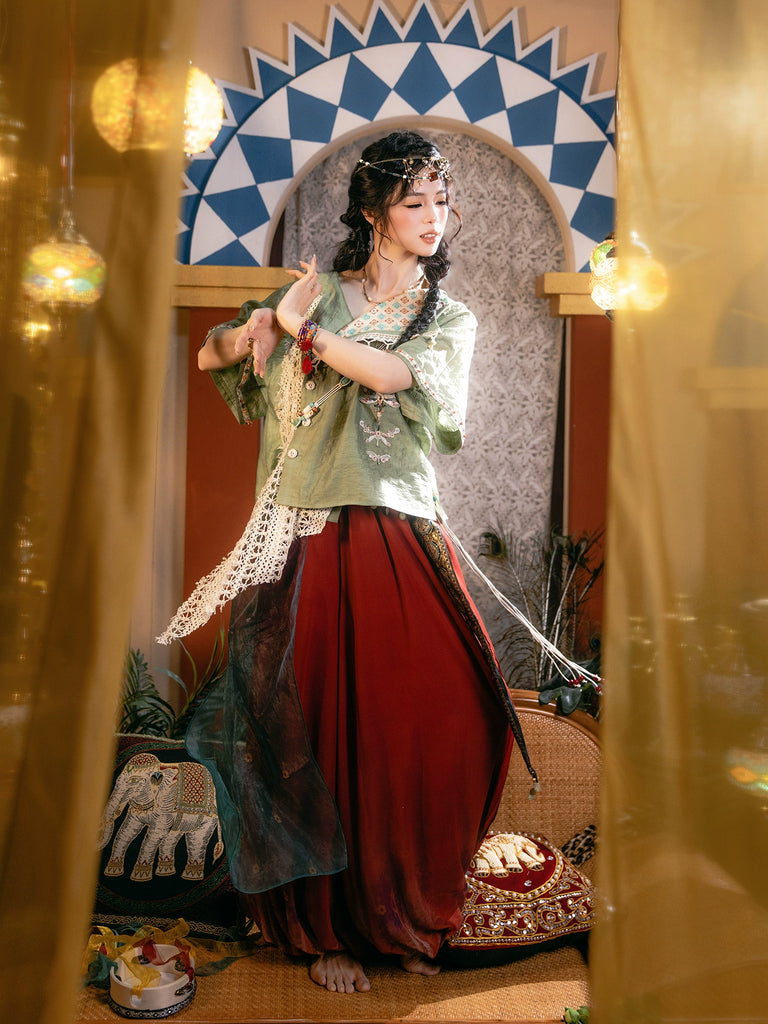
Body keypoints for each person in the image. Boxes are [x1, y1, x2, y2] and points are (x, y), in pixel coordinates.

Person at [159, 130, 539, 993]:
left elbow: (393, 376)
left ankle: (401, 909)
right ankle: (326, 928)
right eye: (414, 203)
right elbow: (211, 354)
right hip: (309, 533)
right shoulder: (317, 291)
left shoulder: (447, 317)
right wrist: (259, 328)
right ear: (373, 213)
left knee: (444, 717)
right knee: (318, 727)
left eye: (442, 202)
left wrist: (303, 332)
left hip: (397, 529)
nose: (435, 218)